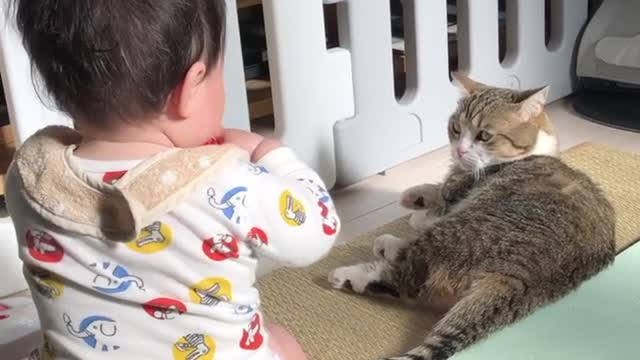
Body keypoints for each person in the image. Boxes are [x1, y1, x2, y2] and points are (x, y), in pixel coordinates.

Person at [6, 1, 340, 359]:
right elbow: (316, 232)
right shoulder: (225, 180)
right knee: (282, 342)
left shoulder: (31, 177)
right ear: (191, 86)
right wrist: (271, 154)